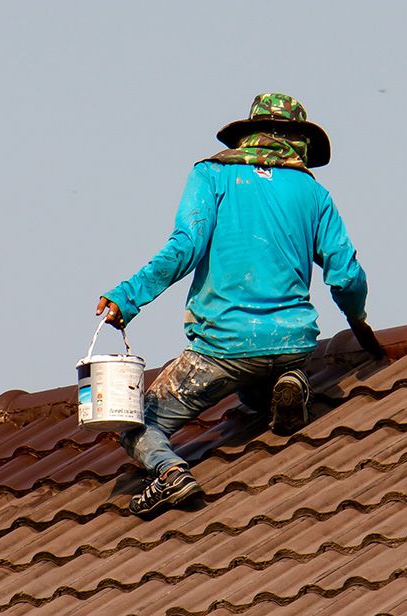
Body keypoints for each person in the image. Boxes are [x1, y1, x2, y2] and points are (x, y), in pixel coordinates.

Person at [96, 92, 376, 517]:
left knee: (137, 420)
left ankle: (171, 473)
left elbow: (186, 246)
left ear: (248, 135)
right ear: (300, 141)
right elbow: (346, 275)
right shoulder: (314, 194)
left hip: (224, 348)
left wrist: (127, 297)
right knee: (256, 390)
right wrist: (358, 323)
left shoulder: (212, 175)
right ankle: (289, 384)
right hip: (293, 341)